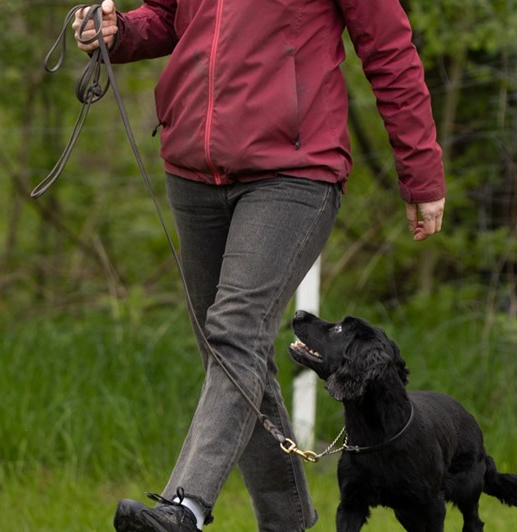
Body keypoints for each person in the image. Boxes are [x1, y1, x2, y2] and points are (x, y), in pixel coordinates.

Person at [70, 0, 448, 530]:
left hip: (295, 171)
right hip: (192, 173)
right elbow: (169, 15)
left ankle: (185, 507)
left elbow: (389, 49)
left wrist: (421, 172)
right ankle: (286, 522)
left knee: (235, 333)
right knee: (229, 351)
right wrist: (121, 31)